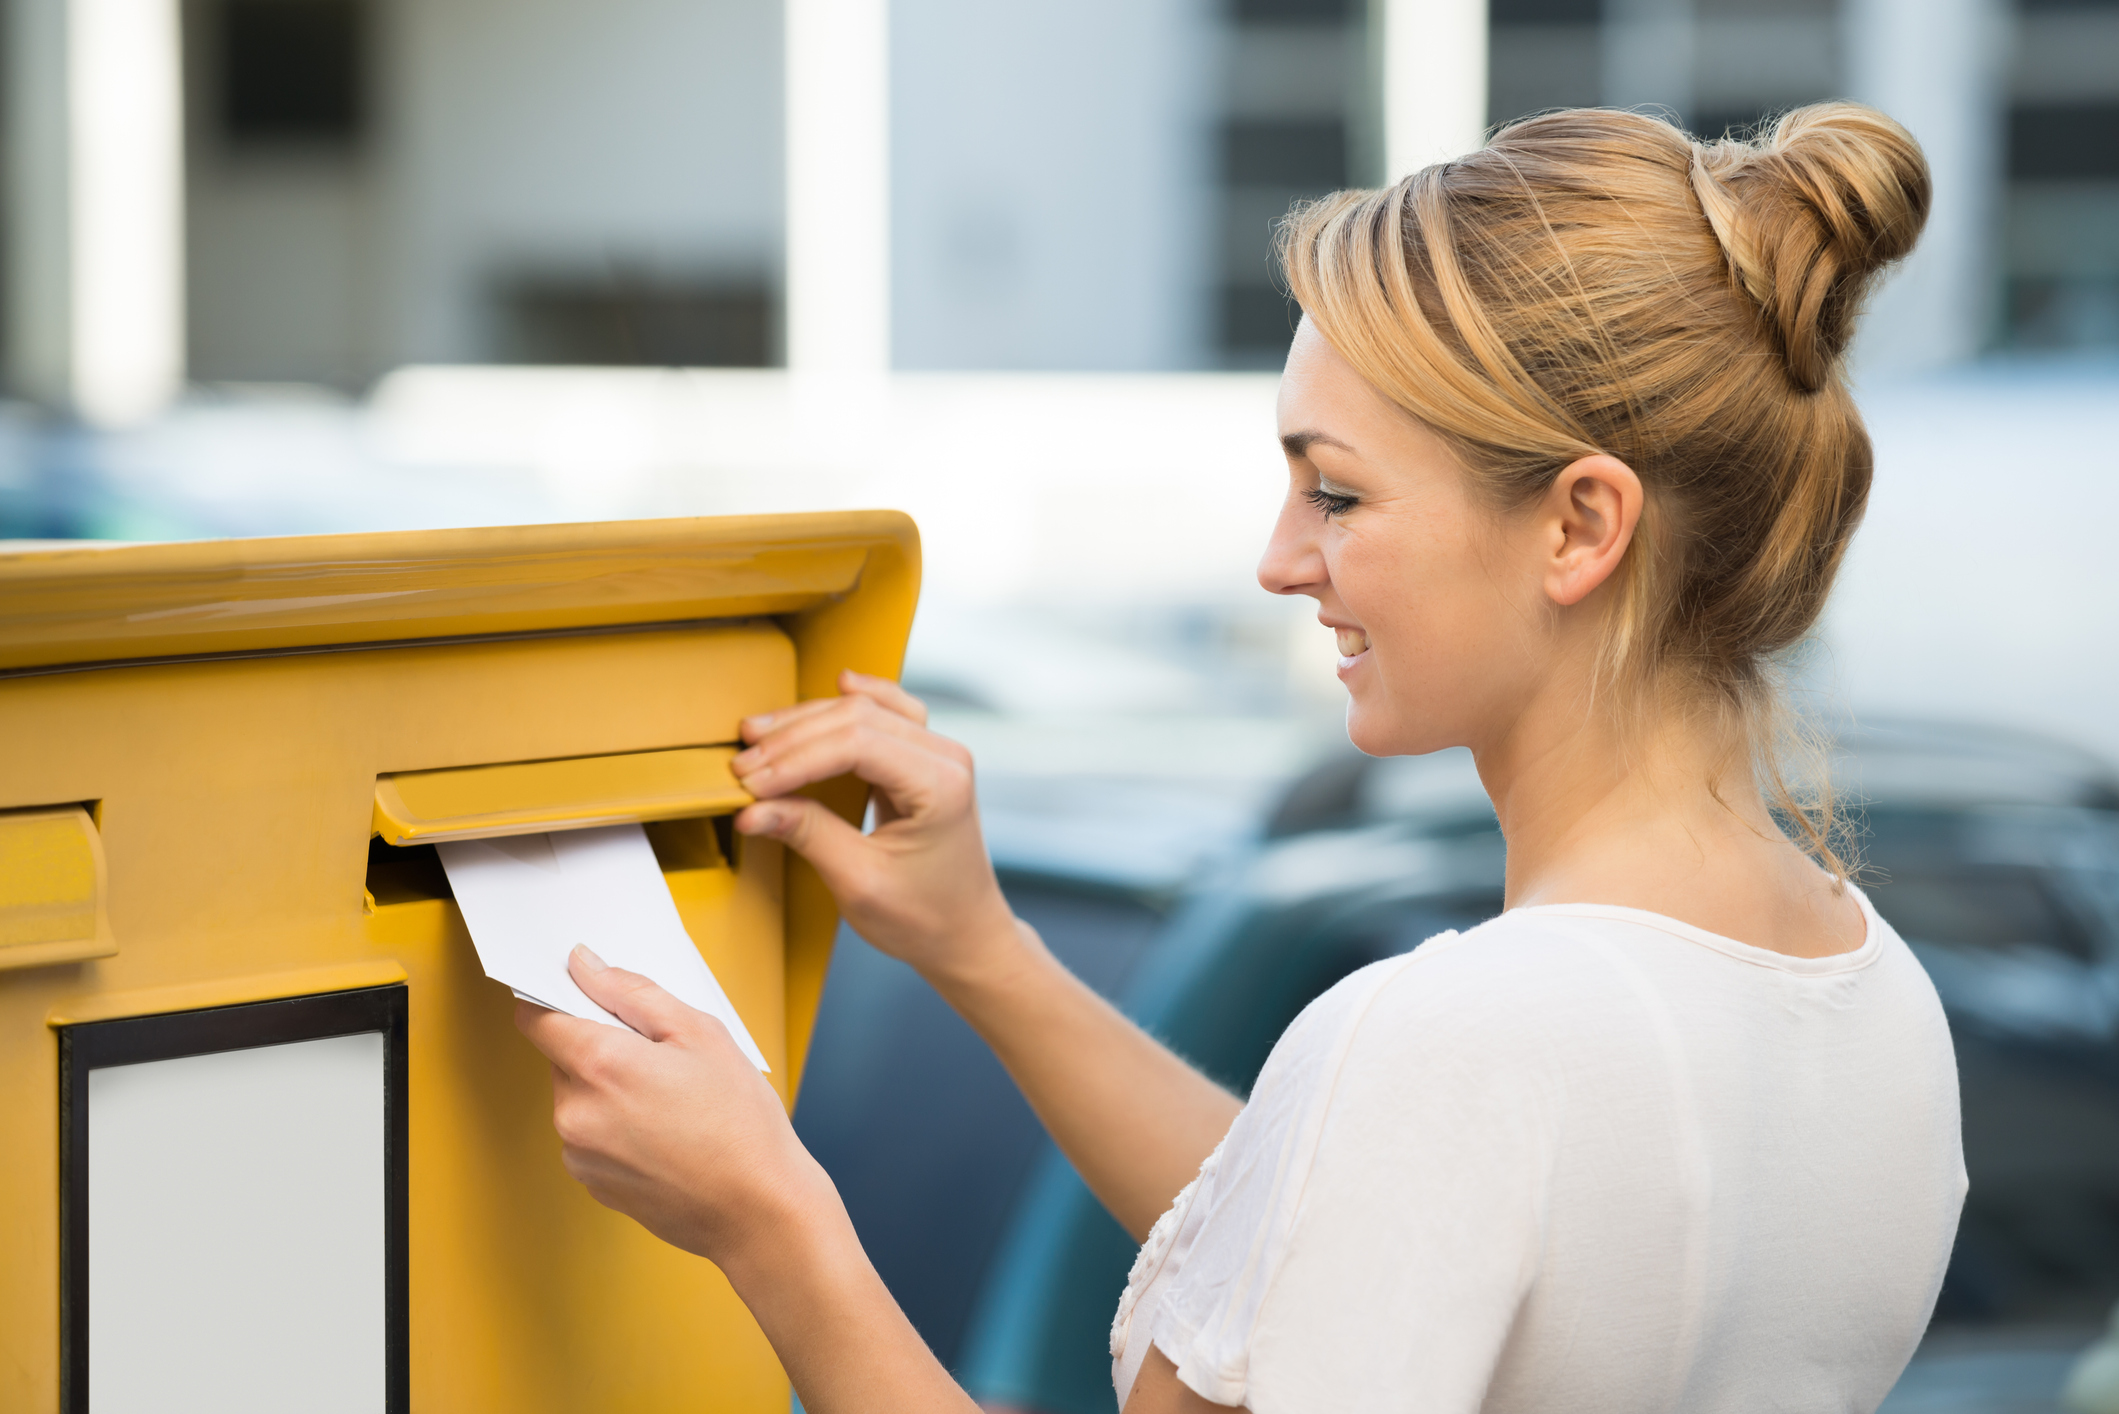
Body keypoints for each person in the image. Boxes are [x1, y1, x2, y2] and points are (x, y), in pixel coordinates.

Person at [517, 101, 1966, 1414]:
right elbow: (1351, 1235)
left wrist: (771, 1219)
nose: (1281, 562)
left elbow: (1412, 1154)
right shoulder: (1883, 1008)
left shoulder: (1451, 1040)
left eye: (1336, 491)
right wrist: (983, 950)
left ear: (1581, 526)